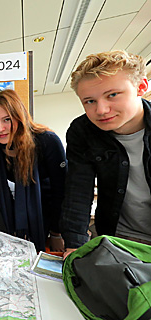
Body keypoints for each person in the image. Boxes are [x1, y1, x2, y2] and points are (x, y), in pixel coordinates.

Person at [61, 50, 150, 258]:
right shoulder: (82, 131)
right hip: (117, 238)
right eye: (89, 101)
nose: (101, 110)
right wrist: (74, 246)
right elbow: (78, 190)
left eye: (112, 95)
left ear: (141, 87)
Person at [0, 90, 66, 252]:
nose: (0, 128)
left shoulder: (47, 141)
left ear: (19, 117)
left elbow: (61, 192)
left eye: (7, 120)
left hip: (46, 226)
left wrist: (57, 233)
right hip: (8, 233)